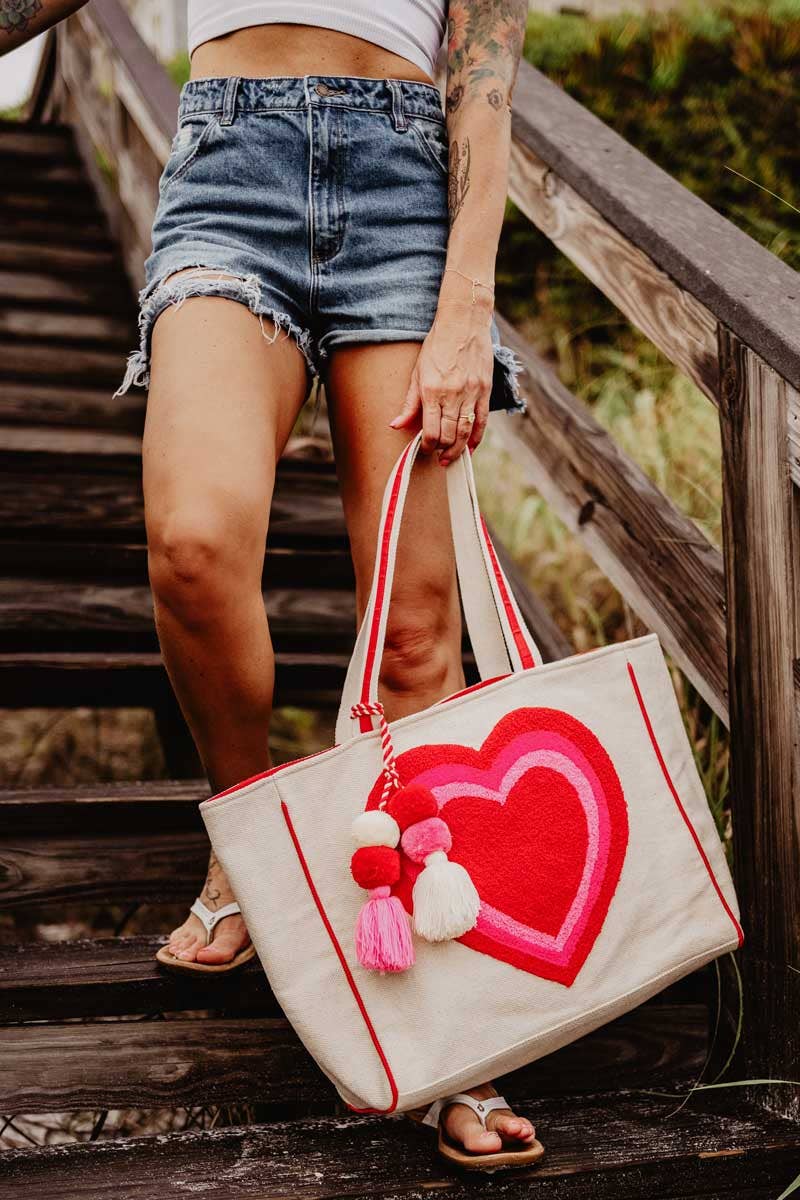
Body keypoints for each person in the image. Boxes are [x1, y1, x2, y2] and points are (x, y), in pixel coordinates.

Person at [6, 0, 542, 1168]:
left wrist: (464, 304)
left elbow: (489, 71)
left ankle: (455, 1029)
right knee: (193, 544)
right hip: (229, 169)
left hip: (406, 179)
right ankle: (255, 844)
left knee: (413, 634)